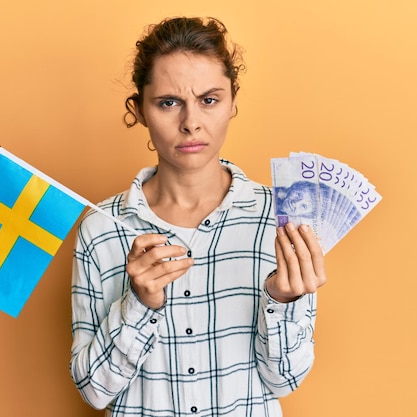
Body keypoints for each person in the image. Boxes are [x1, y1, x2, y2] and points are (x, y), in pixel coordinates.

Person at [69, 16, 327, 417]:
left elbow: (285, 381)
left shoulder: (280, 219)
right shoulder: (100, 229)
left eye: (209, 100)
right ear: (138, 110)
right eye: (169, 102)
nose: (191, 123)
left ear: (233, 102)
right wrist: (138, 303)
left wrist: (282, 300)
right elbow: (93, 391)